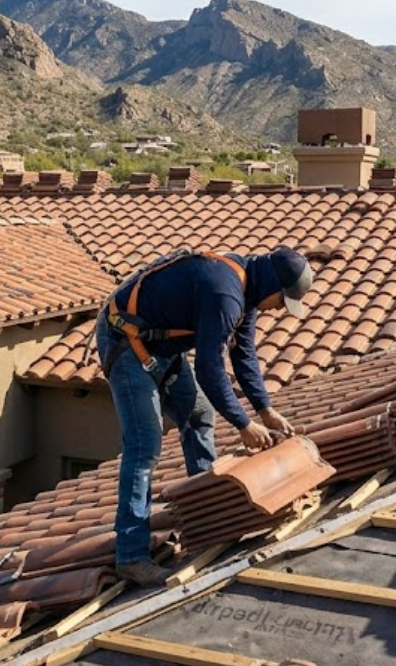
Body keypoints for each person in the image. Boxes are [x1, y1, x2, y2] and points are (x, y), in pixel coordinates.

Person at [95, 246, 313, 586]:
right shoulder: (226, 293)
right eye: (282, 301)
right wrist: (244, 424)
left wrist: (265, 410)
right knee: (144, 446)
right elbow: (211, 370)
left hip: (161, 348)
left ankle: (207, 517)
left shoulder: (247, 292)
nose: (279, 309)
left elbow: (243, 357)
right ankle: (132, 556)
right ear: (273, 286)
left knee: (199, 414)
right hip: (126, 342)